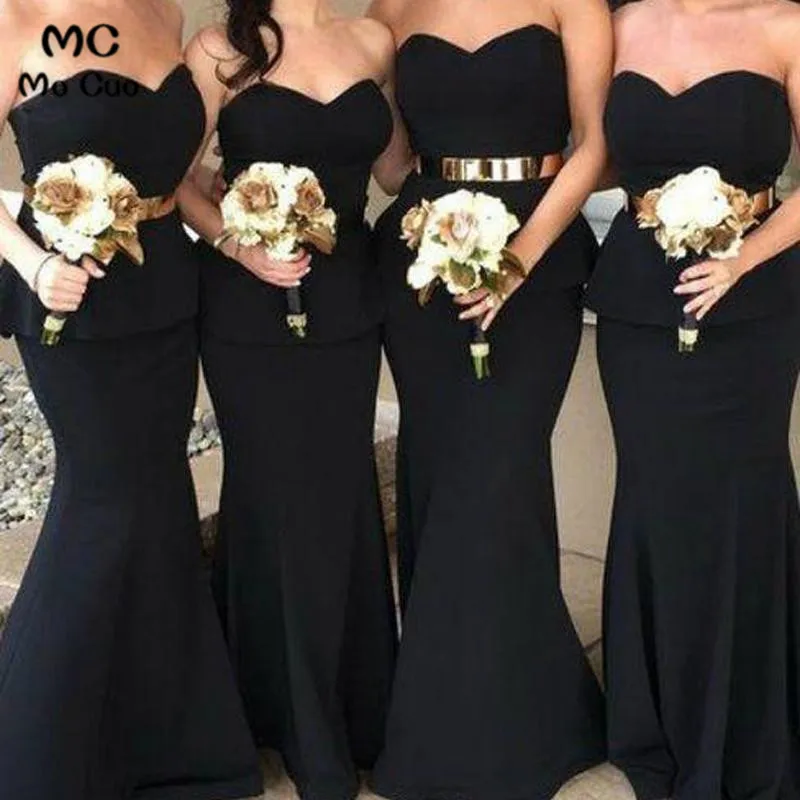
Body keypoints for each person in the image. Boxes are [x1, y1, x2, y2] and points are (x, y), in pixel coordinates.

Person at [0, 1, 263, 798]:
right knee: (101, 505)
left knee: (158, 504)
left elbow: (170, 165)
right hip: (70, 298)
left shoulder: (163, 12)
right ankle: (32, 762)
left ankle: (161, 747)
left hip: (166, 297)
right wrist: (32, 263)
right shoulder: (15, 16)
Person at [365, 0, 612, 796]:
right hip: (424, 269)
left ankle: (528, 722)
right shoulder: (390, 9)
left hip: (537, 262)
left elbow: (597, 143)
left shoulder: (573, 4)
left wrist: (517, 260)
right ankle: (435, 719)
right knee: (440, 474)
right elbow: (392, 169)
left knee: (501, 477)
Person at [177, 3, 398, 799]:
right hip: (247, 309)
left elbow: (396, 172)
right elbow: (174, 176)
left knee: (340, 496)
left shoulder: (373, 39)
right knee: (271, 496)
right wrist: (235, 243)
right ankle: (292, 720)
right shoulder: (218, 49)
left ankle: (360, 711)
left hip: (350, 306)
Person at [584, 0, 800, 796]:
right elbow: (597, 156)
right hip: (637, 306)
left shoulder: (786, 25)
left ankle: (750, 726)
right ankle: (654, 723)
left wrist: (742, 258)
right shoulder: (621, 24)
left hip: (752, 305)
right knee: (653, 501)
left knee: (742, 501)